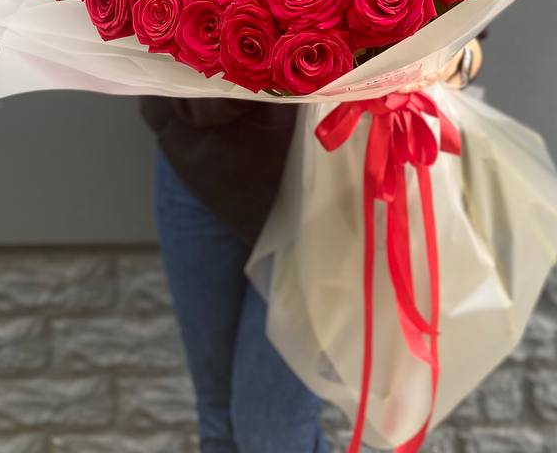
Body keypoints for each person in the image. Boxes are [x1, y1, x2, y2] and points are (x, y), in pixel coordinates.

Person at [140, 37, 484, 453]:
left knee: (271, 437)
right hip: (201, 166)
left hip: (330, 191)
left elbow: (468, 40)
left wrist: (439, 64)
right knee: (218, 423)